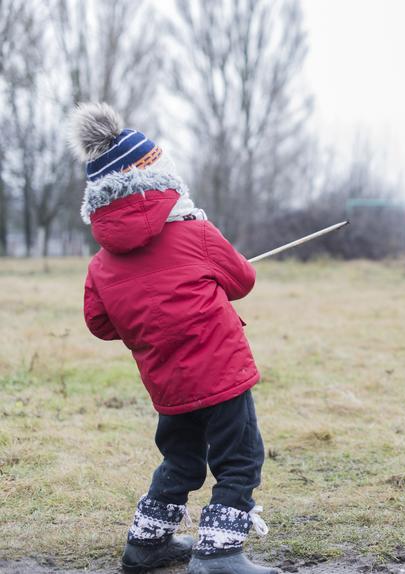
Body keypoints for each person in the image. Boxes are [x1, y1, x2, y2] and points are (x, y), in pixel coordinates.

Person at [69, 102, 280, 573]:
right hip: (221, 374)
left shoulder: (100, 265)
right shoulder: (193, 230)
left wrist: (144, 317)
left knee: (182, 459)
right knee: (240, 458)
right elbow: (242, 281)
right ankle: (220, 554)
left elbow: (99, 322)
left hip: (167, 382)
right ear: (160, 178)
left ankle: (146, 544)